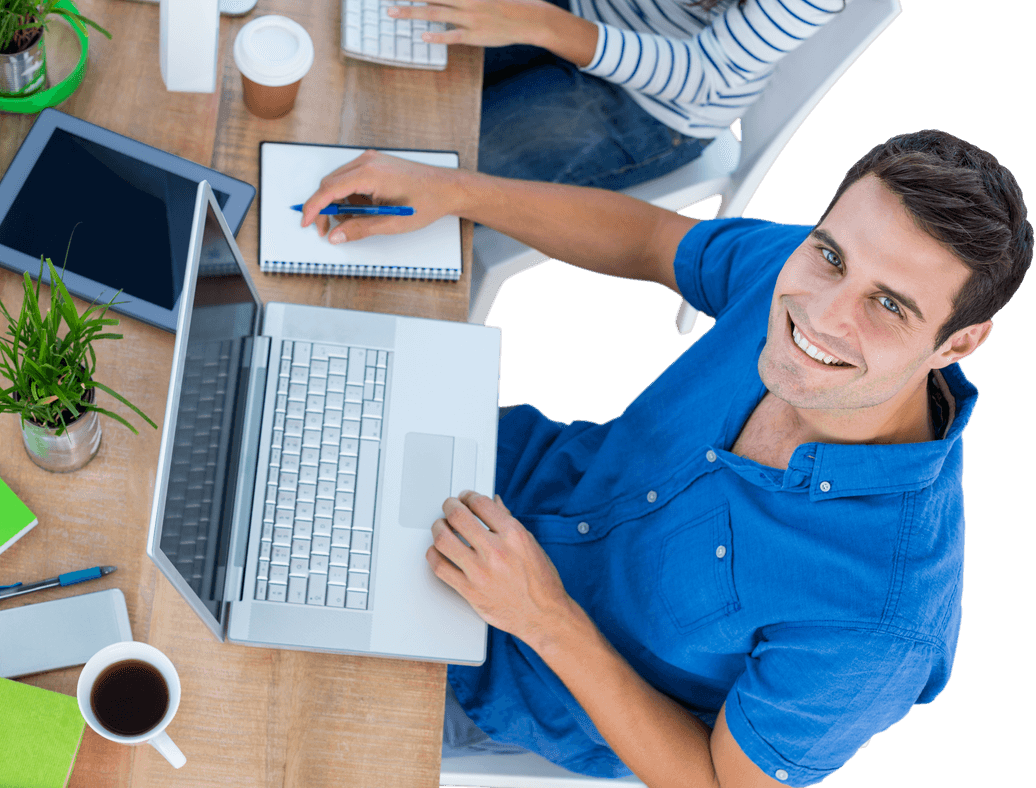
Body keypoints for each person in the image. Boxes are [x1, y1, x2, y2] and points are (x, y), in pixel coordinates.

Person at [298, 129, 1032, 787]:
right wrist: (456, 191)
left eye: (891, 306)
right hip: (477, 463)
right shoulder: (799, 271)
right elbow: (655, 241)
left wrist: (541, 613)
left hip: (499, 675)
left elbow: (718, 784)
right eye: (831, 254)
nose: (824, 312)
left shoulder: (881, 622)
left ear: (958, 342)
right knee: (229, 387)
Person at [387, 0, 845, 189]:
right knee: (384, 58)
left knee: (422, 174)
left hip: (653, 104)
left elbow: (704, 75)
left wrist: (545, 25)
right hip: (582, 11)